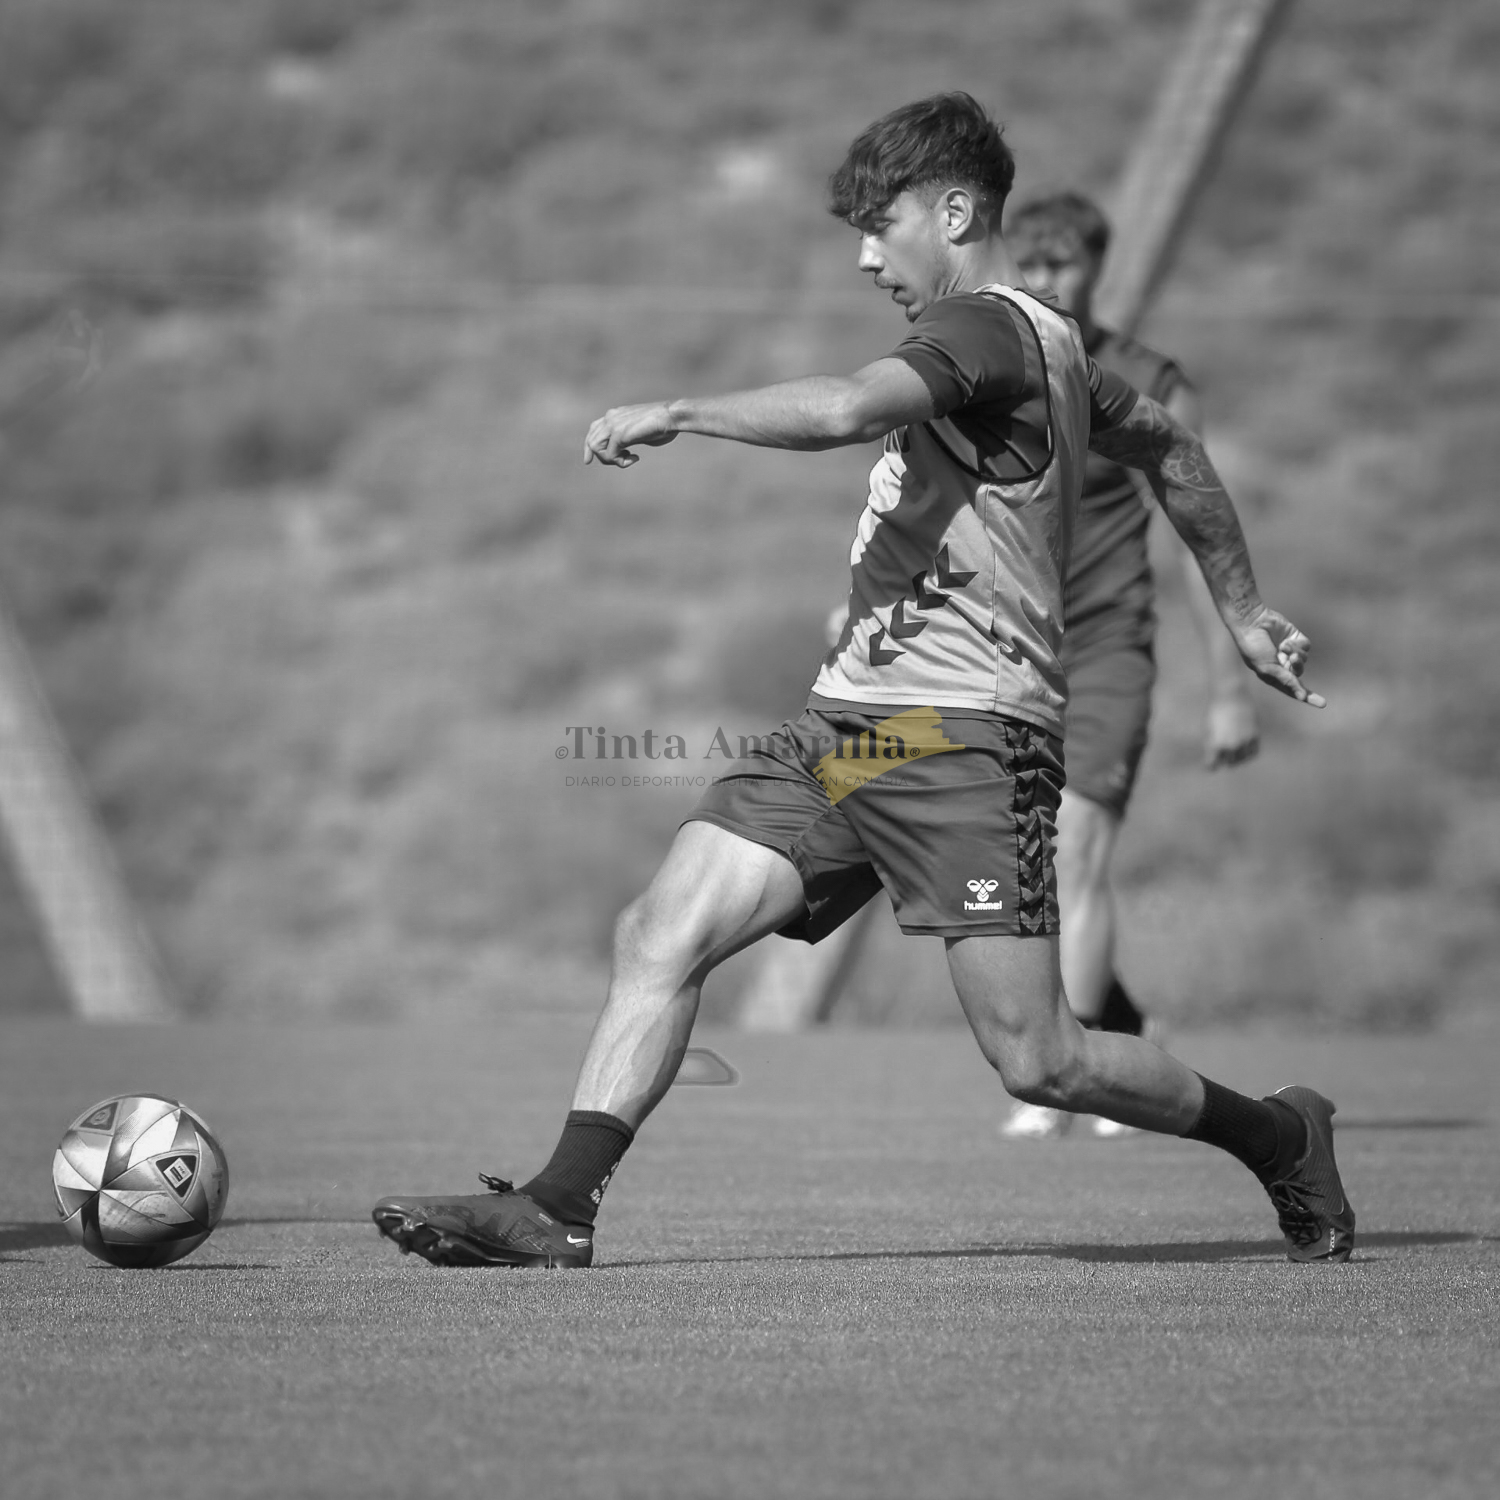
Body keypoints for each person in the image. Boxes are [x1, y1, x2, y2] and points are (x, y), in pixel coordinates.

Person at [373, 94, 1352, 1269]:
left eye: (882, 227)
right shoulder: (1056, 348)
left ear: (957, 213)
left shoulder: (986, 329)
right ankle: (557, 1205)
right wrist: (1241, 608)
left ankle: (1280, 1135)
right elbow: (1175, 452)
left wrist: (678, 410)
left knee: (1040, 1059)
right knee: (663, 927)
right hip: (852, 726)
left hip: (970, 738)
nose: (865, 257)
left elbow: (843, 408)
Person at [999, 191, 1260, 1140]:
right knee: (1008, 868)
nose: (1044, 281)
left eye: (1061, 264)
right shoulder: (989, 370)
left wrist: (1230, 687)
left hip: (1107, 648)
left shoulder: (1149, 379)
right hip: (1005, 650)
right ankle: (1128, 1033)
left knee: (1074, 850)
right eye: (1028, 264)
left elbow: (1200, 535)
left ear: (1098, 268)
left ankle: (1068, 1076)